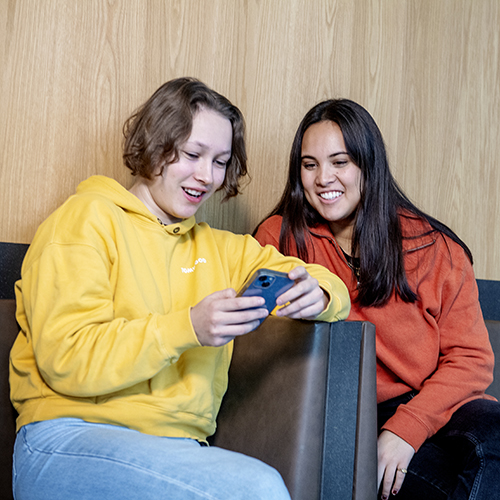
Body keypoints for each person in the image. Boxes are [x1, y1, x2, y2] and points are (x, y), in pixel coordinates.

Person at [10, 78, 350, 500]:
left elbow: (331, 284)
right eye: (193, 155)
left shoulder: (221, 249)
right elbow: (67, 357)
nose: (206, 177)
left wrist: (319, 294)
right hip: (68, 439)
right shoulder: (86, 219)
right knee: (257, 490)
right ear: (154, 144)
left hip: (177, 451)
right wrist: (187, 327)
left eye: (221, 161)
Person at [254, 98, 500, 500]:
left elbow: (471, 361)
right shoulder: (279, 239)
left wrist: (406, 429)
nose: (323, 178)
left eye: (340, 162)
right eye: (309, 164)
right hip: (348, 413)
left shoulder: (435, 247)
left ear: (368, 165)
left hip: (438, 406)